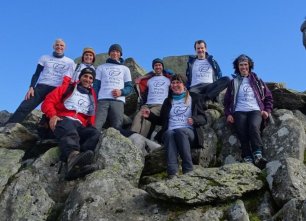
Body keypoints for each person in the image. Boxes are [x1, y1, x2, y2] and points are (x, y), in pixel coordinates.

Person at [142, 74, 208, 179]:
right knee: (168, 133)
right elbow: (162, 121)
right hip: (171, 132)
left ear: (184, 84)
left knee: (180, 132)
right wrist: (150, 115)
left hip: (188, 133)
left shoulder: (194, 98)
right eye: (173, 83)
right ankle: (172, 173)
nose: (175, 85)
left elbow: (204, 118)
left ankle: (188, 170)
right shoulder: (167, 101)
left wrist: (195, 120)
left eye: (178, 82)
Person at [41, 67, 99, 180]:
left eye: (91, 78)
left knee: (95, 134)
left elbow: (91, 117)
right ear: (80, 77)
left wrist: (90, 127)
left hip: (80, 125)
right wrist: (52, 115)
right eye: (85, 76)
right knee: (69, 127)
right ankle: (73, 156)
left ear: (93, 81)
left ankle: (80, 162)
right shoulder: (66, 88)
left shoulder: (92, 97)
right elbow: (48, 102)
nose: (87, 79)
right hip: (62, 120)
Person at [6, 39, 75, 124]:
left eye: (61, 45)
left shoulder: (70, 62)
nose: (59, 47)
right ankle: (9, 125)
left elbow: (71, 78)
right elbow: (36, 73)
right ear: (53, 46)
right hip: (42, 86)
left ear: (65, 48)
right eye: (57, 45)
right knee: (26, 105)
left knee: (55, 111)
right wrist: (31, 87)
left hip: (57, 89)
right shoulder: (45, 57)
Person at [223, 54, 273, 169]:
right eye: (241, 65)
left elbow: (269, 97)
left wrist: (267, 110)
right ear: (237, 67)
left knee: (254, 127)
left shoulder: (257, 80)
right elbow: (226, 102)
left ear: (249, 65)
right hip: (239, 111)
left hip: (255, 109)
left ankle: (258, 155)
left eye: (245, 64)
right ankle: (247, 157)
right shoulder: (233, 82)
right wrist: (228, 114)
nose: (243, 67)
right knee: (242, 131)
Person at [94, 44, 133, 131]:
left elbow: (129, 87)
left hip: (118, 100)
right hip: (102, 100)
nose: (115, 53)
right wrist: (94, 100)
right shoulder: (101, 67)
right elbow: (96, 86)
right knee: (96, 125)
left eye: (117, 51)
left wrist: (121, 92)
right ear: (109, 53)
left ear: (120, 54)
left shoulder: (125, 69)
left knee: (117, 126)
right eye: (113, 51)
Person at [130, 58, 172, 138]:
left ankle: (142, 139)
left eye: (159, 65)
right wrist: (140, 79)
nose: (158, 67)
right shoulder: (149, 80)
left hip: (159, 105)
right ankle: (132, 137)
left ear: (162, 67)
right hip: (148, 104)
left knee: (147, 118)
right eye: (156, 65)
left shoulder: (168, 79)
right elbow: (141, 88)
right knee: (138, 116)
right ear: (153, 68)